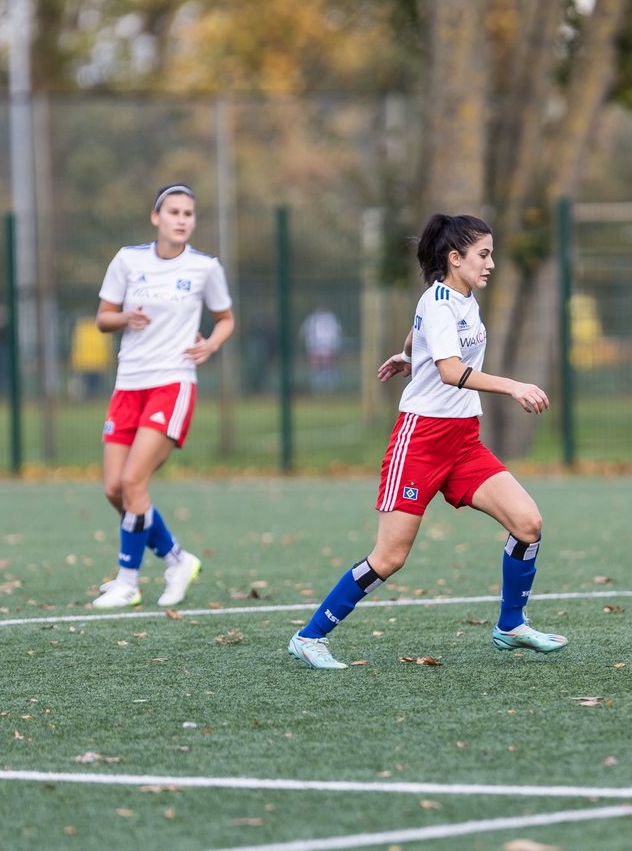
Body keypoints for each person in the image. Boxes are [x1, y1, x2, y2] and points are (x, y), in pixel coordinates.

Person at [287, 213, 566, 669]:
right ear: (455, 259)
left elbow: (422, 336)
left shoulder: (462, 297)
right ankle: (310, 636)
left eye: (491, 253)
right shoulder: (439, 303)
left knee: (528, 523)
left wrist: (407, 355)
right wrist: (513, 385)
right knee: (390, 556)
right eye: (483, 254)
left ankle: (511, 625)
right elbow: (451, 371)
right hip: (420, 441)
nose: (491, 263)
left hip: (464, 442)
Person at [90, 181, 235, 608]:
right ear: (156, 217)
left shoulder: (205, 268)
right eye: (173, 212)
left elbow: (225, 319)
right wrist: (124, 318)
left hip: (172, 384)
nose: (181, 220)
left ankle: (128, 581)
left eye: (188, 214)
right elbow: (102, 318)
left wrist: (210, 343)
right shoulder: (127, 260)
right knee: (115, 490)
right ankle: (176, 559)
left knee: (135, 481)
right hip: (128, 384)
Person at [300, 306, 342, 392]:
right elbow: (304, 333)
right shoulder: (312, 319)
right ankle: (318, 388)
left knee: (327, 368)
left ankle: (329, 388)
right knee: (317, 368)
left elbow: (336, 333)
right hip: (316, 348)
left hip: (327, 348)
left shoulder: (330, 318)